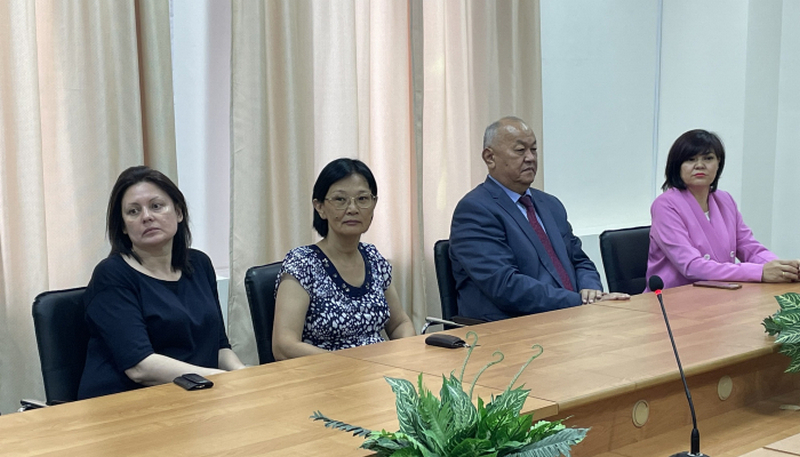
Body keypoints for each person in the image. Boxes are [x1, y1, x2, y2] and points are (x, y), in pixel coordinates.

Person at [78, 166, 244, 399]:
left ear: (178, 212)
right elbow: (140, 367)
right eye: (133, 211)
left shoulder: (199, 264)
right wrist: (219, 379)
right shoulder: (112, 275)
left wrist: (242, 374)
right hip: (127, 403)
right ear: (123, 227)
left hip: (196, 395)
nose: (147, 216)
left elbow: (218, 346)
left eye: (156, 206)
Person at [449, 116, 629, 322]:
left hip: (570, 318)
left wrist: (591, 291)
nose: (530, 158)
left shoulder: (550, 204)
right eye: (520, 150)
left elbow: (579, 260)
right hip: (512, 327)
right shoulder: (475, 210)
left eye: (533, 149)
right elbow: (505, 285)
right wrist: (577, 302)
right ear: (490, 157)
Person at [272, 158, 415, 360]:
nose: (353, 208)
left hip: (379, 370)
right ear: (320, 207)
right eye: (340, 200)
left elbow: (400, 323)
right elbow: (284, 346)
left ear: (374, 204)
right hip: (325, 372)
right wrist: (351, 365)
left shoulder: (373, 258)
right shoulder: (302, 264)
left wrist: (406, 354)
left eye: (363, 199)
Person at [645, 129, 799, 290]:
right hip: (674, 298)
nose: (700, 165)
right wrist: (760, 272)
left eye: (708, 158)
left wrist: (785, 269)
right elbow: (692, 266)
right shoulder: (665, 205)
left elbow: (749, 247)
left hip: (721, 293)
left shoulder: (725, 200)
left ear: (719, 163)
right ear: (677, 165)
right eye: (690, 159)